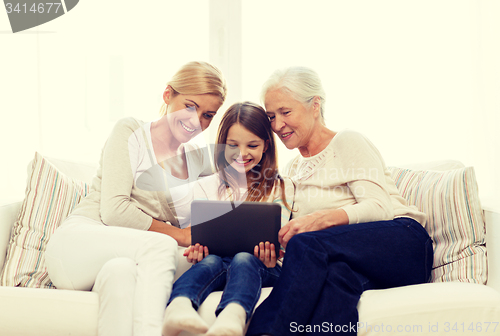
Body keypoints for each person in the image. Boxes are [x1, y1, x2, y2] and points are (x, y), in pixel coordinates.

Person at [246, 67, 434, 336]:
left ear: (315, 105)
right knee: (334, 279)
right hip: (356, 262)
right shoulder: (293, 169)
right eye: (271, 116)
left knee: (308, 242)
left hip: (404, 245)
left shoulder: (346, 142)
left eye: (286, 113)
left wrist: (318, 220)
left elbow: (379, 207)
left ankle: (266, 331)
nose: (277, 125)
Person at [44, 61, 227, 336]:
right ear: (168, 95)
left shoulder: (195, 164)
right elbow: (115, 211)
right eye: (190, 106)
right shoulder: (131, 131)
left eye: (207, 115)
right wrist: (180, 235)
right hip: (77, 244)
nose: (196, 121)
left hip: (116, 259)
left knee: (122, 276)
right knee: (162, 245)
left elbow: (243, 170)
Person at [162, 102, 295, 336]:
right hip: (218, 263)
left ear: (266, 146)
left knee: (243, 258)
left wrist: (273, 252)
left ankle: (231, 319)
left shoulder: (281, 187)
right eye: (233, 145)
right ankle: (178, 307)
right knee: (211, 260)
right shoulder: (207, 186)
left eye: (252, 145)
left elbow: (281, 236)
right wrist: (197, 249)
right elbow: (199, 235)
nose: (242, 154)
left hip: (264, 267)